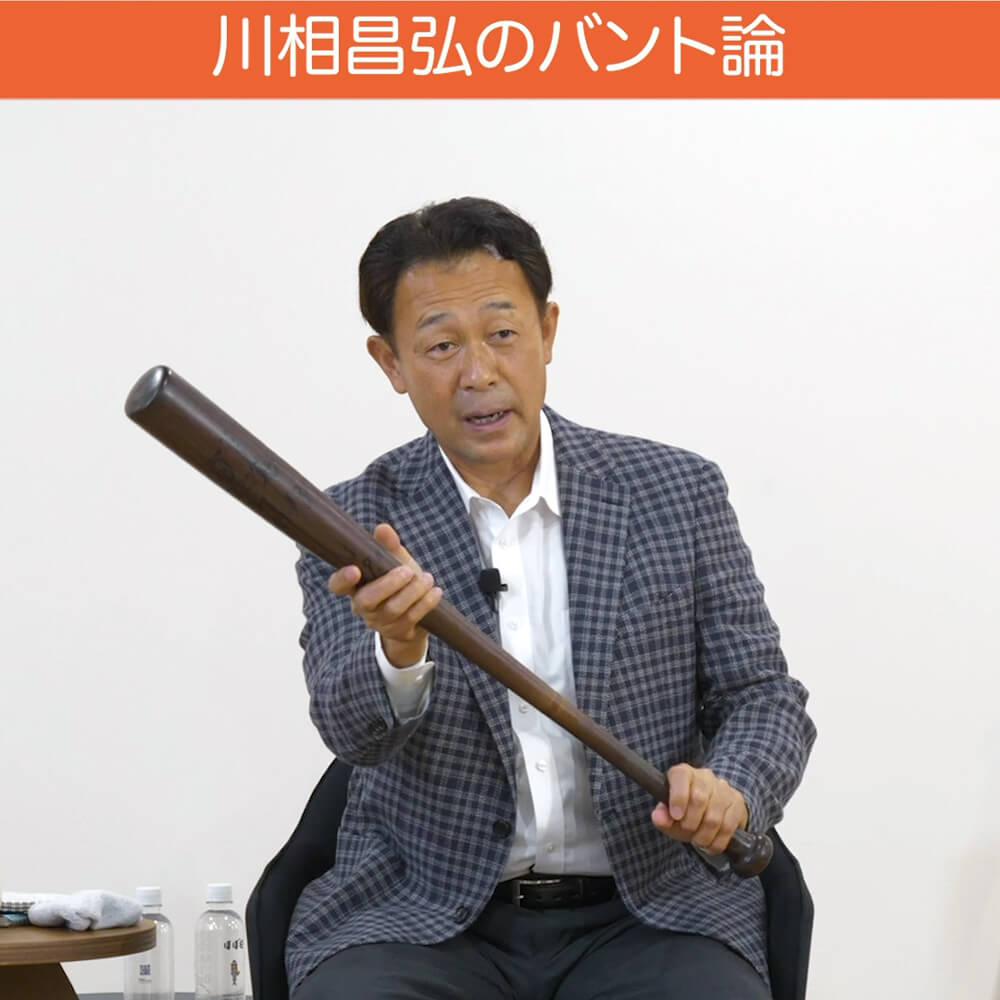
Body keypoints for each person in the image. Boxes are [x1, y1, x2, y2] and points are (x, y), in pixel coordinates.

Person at [287, 197, 816, 999]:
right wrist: (398, 650)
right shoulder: (354, 520)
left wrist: (732, 788)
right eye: (440, 345)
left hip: (647, 913)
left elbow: (764, 695)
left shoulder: (675, 492)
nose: (479, 373)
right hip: (424, 919)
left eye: (503, 333)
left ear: (548, 330)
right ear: (391, 362)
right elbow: (349, 730)